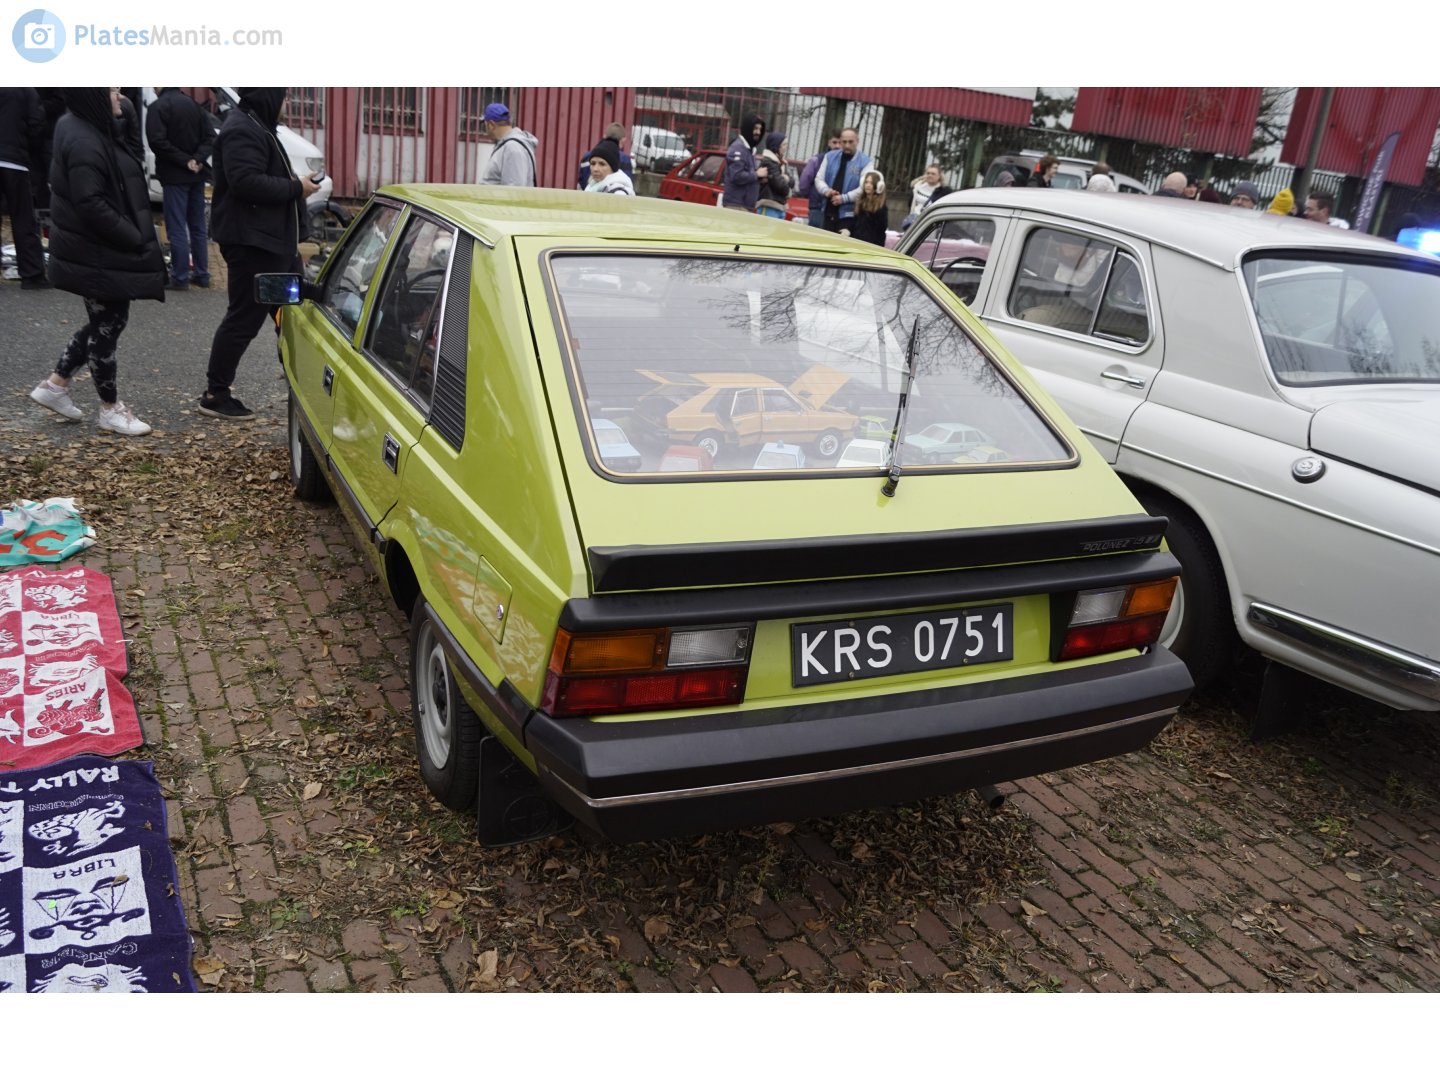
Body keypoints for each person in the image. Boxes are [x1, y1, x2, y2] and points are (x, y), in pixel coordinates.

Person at [29, 88, 164, 436]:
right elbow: (90, 203)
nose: (120, 95)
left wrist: (123, 117)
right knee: (107, 326)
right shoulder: (84, 139)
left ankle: (55, 385)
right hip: (97, 250)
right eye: (112, 90)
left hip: (96, 249)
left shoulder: (83, 125)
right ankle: (110, 408)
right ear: (93, 95)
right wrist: (133, 236)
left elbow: (123, 160)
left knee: (107, 321)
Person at [198, 87, 320, 420]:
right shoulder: (242, 129)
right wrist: (297, 187)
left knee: (290, 307)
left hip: (273, 244)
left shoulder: (257, 125)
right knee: (244, 318)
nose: (287, 103)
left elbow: (261, 175)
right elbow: (246, 182)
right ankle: (215, 394)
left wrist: (295, 183)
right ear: (269, 95)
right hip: (254, 246)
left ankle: (298, 375)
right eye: (284, 95)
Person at [145, 86, 214, 289]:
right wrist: (197, 159)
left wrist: (185, 161)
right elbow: (211, 137)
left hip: (174, 175)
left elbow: (157, 142)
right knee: (198, 227)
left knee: (176, 228)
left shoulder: (157, 107)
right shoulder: (194, 105)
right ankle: (202, 274)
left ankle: (180, 276)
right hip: (196, 174)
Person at [0, 86, 50, 289]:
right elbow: (37, 123)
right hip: (15, 159)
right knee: (23, 218)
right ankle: (32, 274)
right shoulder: (24, 88)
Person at [813, 128, 872, 233]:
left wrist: (844, 198)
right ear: (840, 141)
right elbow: (819, 179)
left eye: (851, 142)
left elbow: (864, 188)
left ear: (857, 141)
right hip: (827, 210)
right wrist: (826, 191)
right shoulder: (830, 156)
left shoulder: (865, 162)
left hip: (850, 215)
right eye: (844, 142)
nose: (847, 145)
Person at [478, 103, 537, 187]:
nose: (486, 131)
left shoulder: (513, 148)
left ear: (491, 125)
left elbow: (514, 189)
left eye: (485, 126)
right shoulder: (508, 146)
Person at [722, 114, 767, 212]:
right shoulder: (738, 148)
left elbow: (747, 174)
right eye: (755, 128)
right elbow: (736, 176)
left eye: (760, 129)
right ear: (748, 128)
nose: (758, 132)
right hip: (736, 205)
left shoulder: (749, 149)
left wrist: (759, 178)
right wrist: (757, 174)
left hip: (745, 205)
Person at [798, 131, 841, 228]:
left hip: (835, 207)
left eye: (840, 143)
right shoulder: (817, 160)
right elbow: (804, 183)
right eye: (834, 142)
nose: (837, 146)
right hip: (818, 207)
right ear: (829, 142)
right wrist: (813, 196)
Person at [576, 122, 632, 189]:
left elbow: (580, 183)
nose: (595, 169)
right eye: (593, 164)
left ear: (604, 136)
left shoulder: (587, 156)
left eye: (602, 164)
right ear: (622, 140)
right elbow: (626, 182)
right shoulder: (624, 159)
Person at [754, 132, 791, 218]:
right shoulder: (769, 162)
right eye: (784, 145)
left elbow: (792, 181)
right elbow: (779, 185)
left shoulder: (781, 162)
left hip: (780, 207)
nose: (786, 147)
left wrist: (786, 179)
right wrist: (786, 183)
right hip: (769, 206)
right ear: (776, 146)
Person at [850, 169, 888, 246]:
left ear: (878, 186)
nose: (868, 185)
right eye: (866, 182)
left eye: (871, 183)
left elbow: (881, 229)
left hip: (871, 246)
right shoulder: (860, 203)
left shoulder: (881, 208)